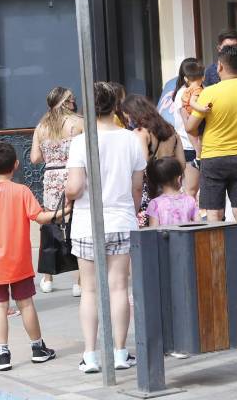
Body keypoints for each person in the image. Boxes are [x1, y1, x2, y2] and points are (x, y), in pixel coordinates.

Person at [65, 82, 146, 374]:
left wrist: (67, 191)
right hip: (122, 218)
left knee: (89, 290)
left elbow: (74, 187)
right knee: (120, 288)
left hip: (87, 221)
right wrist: (130, 210)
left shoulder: (80, 142)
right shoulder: (131, 140)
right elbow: (137, 187)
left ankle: (90, 354)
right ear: (116, 106)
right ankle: (121, 351)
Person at [0, 142, 59, 371]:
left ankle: (2, 354)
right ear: (16, 165)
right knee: (26, 305)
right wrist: (61, 212)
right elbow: (39, 217)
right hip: (19, 260)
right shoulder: (22, 191)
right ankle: (38, 348)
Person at [185, 45, 237, 282]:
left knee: (215, 214)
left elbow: (190, 128)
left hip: (214, 157)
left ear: (219, 66)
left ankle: (217, 266)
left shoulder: (210, 93)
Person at [30, 87, 83, 297]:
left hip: (51, 177)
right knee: (76, 225)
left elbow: (34, 158)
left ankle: (47, 277)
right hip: (73, 174)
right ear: (67, 102)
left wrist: (51, 154)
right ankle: (78, 281)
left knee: (52, 224)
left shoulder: (41, 127)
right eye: (72, 100)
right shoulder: (78, 122)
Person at [122, 94, 185, 227]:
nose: (127, 121)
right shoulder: (171, 131)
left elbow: (141, 164)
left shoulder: (141, 133)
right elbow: (182, 163)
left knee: (149, 236)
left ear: (133, 113)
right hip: (169, 189)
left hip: (149, 190)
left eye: (127, 116)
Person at [158, 58, 200, 199]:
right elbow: (188, 125)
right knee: (191, 190)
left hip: (196, 145)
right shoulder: (184, 94)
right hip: (190, 146)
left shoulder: (196, 90)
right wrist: (199, 150)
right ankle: (191, 219)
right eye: (195, 75)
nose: (199, 78)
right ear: (186, 77)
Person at [146, 157, 198, 226]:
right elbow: (199, 225)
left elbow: (153, 231)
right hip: (186, 237)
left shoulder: (155, 204)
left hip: (165, 237)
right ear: (179, 179)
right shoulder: (190, 200)